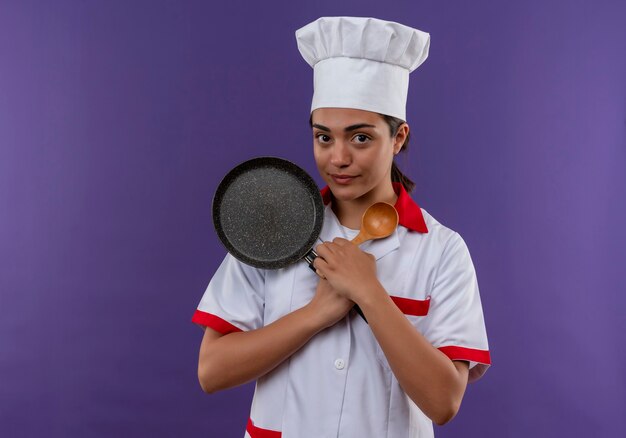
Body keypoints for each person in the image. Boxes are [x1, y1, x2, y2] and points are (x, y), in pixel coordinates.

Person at [192, 16, 490, 438]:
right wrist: (316, 314)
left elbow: (443, 403)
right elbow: (212, 370)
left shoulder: (441, 250)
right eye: (324, 137)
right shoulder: (274, 226)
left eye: (361, 138)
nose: (338, 158)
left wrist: (369, 293)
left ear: (398, 137)